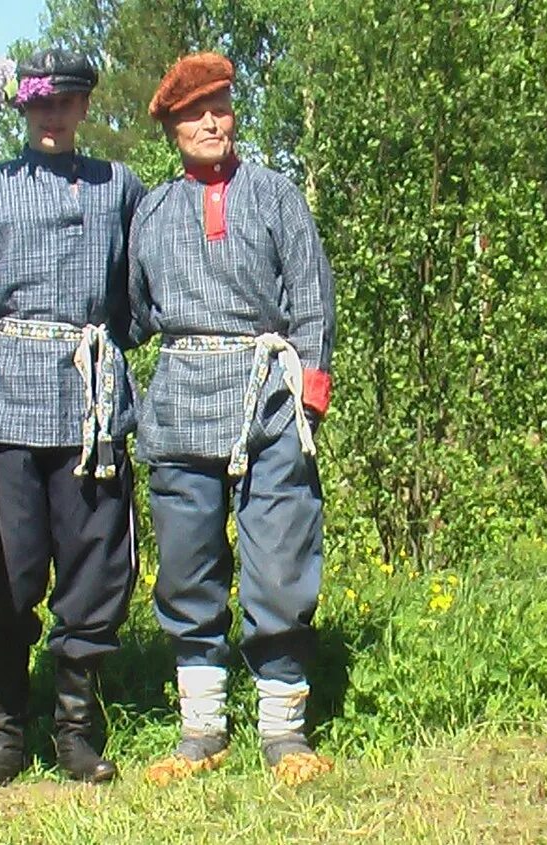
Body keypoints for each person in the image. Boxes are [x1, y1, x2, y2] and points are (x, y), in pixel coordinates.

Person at [0, 47, 145, 788]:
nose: (53, 116)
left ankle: (76, 731)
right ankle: (4, 732)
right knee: (13, 572)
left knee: (93, 569)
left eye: (66, 102)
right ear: (22, 109)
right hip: (9, 404)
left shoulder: (120, 188)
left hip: (90, 404)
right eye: (40, 104)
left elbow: (136, 292)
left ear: (85, 107)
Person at [126, 52, 338, 787]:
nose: (210, 120)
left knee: (280, 557)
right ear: (172, 128)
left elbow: (310, 294)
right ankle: (202, 728)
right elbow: (137, 309)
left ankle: (283, 730)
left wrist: (309, 393)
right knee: (188, 564)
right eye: (194, 112)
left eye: (219, 105)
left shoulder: (277, 196)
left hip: (271, 400)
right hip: (183, 397)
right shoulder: (150, 211)